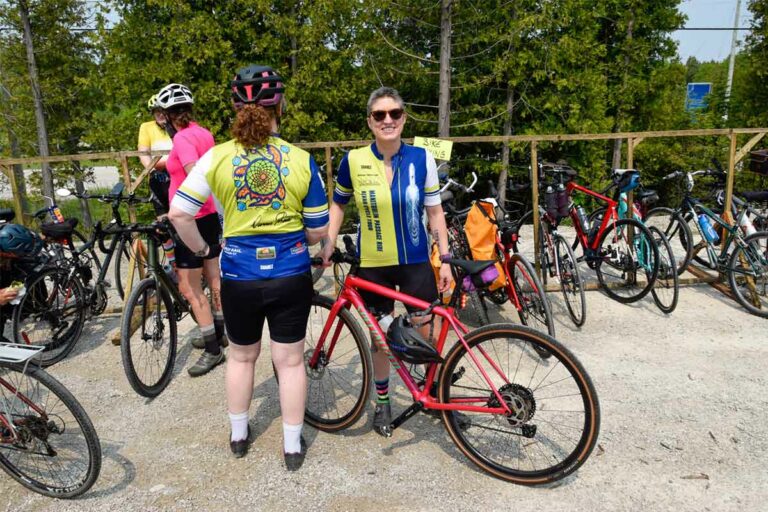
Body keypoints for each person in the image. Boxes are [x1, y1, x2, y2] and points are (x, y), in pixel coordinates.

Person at [168, 64, 330, 469]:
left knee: (241, 358)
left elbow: (179, 213)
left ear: (235, 108)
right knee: (290, 362)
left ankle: (239, 436)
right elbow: (317, 229)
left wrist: (205, 248)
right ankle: (291, 446)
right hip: (290, 273)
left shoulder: (216, 156)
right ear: (281, 107)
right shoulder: (300, 159)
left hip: (239, 274)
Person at [326, 86, 452, 436]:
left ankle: (434, 393)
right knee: (380, 338)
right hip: (373, 264)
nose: (387, 120)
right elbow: (338, 204)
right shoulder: (353, 161)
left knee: (427, 333)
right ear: (370, 121)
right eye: (379, 114)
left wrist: (445, 259)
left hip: (415, 262)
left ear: (403, 118)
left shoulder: (422, 158)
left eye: (394, 113)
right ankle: (383, 402)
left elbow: (435, 212)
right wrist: (328, 243)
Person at [155, 83, 224, 377]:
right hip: (209, 216)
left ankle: (212, 349)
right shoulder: (204, 133)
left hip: (190, 219)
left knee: (189, 287)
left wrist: (178, 212)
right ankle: (218, 332)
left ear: (168, 115)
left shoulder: (182, 139)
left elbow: (195, 175)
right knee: (214, 278)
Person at [138, 93, 176, 267]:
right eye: (156, 112)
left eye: (162, 111)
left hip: (177, 177)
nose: (160, 114)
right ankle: (172, 262)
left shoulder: (175, 126)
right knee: (162, 223)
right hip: (159, 178)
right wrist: (151, 168)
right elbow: (143, 152)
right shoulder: (146, 127)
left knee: (180, 219)